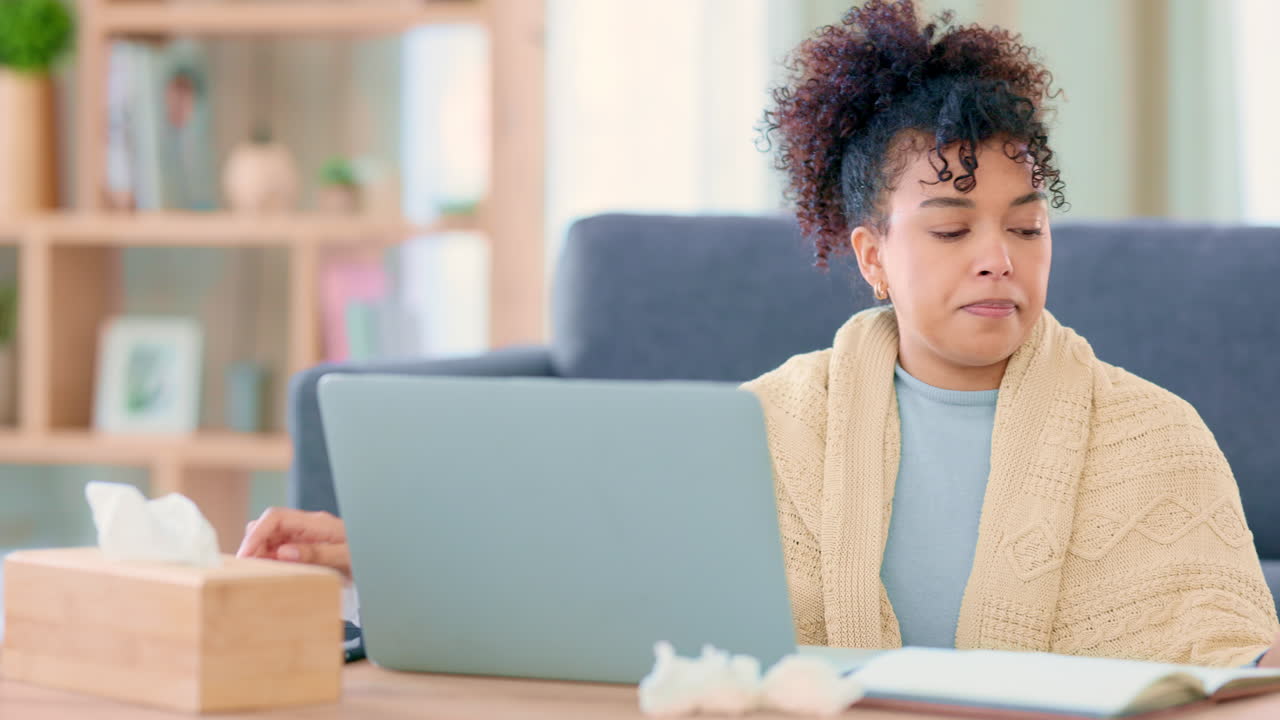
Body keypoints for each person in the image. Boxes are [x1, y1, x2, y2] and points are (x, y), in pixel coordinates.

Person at [239, 0, 1280, 667]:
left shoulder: (1156, 437)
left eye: (1025, 226)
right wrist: (386, 554)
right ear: (870, 256)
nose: (995, 257)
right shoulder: (765, 427)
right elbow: (600, 579)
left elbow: (1231, 659)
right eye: (951, 228)